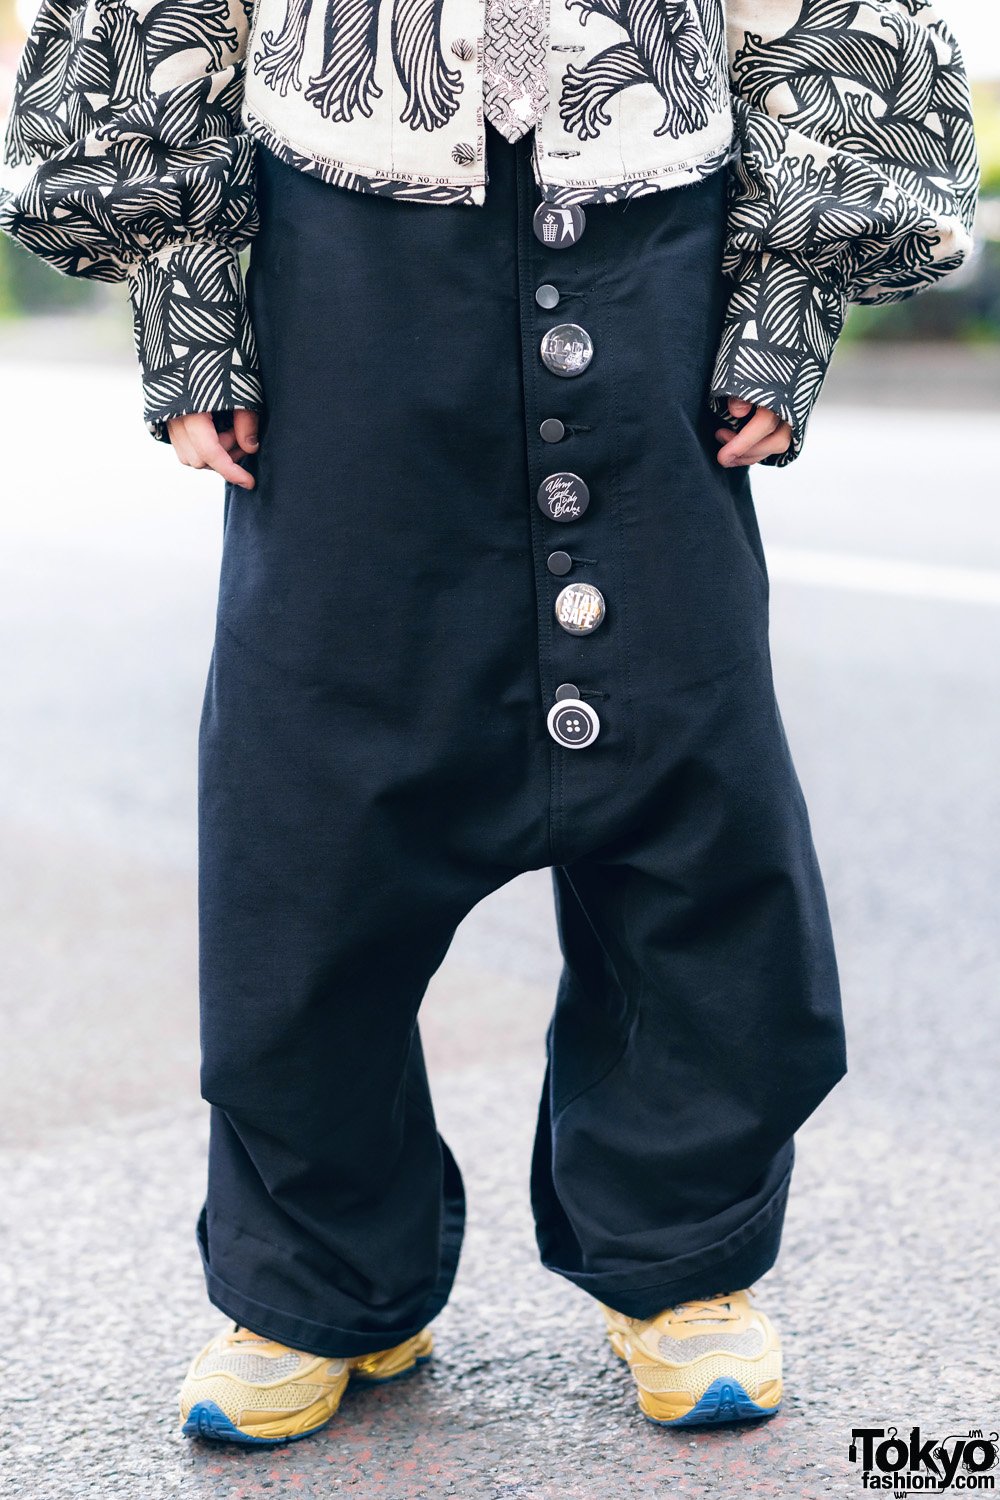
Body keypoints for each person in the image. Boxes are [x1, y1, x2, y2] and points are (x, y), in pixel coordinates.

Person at [1, 0, 978, 1445]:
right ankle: (316, 1277)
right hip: (338, 241)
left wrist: (786, 294)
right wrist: (190, 306)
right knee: (309, 807)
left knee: (690, 791)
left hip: (655, 222)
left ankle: (680, 1257)